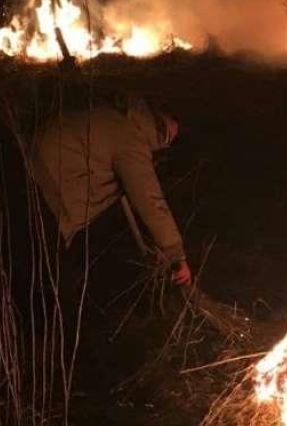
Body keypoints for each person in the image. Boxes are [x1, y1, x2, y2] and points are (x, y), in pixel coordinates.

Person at [31, 95, 193, 287]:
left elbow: (130, 203)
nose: (164, 145)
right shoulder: (131, 138)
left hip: (33, 169)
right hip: (44, 191)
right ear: (156, 122)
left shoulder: (117, 117)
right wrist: (176, 255)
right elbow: (150, 200)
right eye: (165, 137)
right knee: (51, 284)